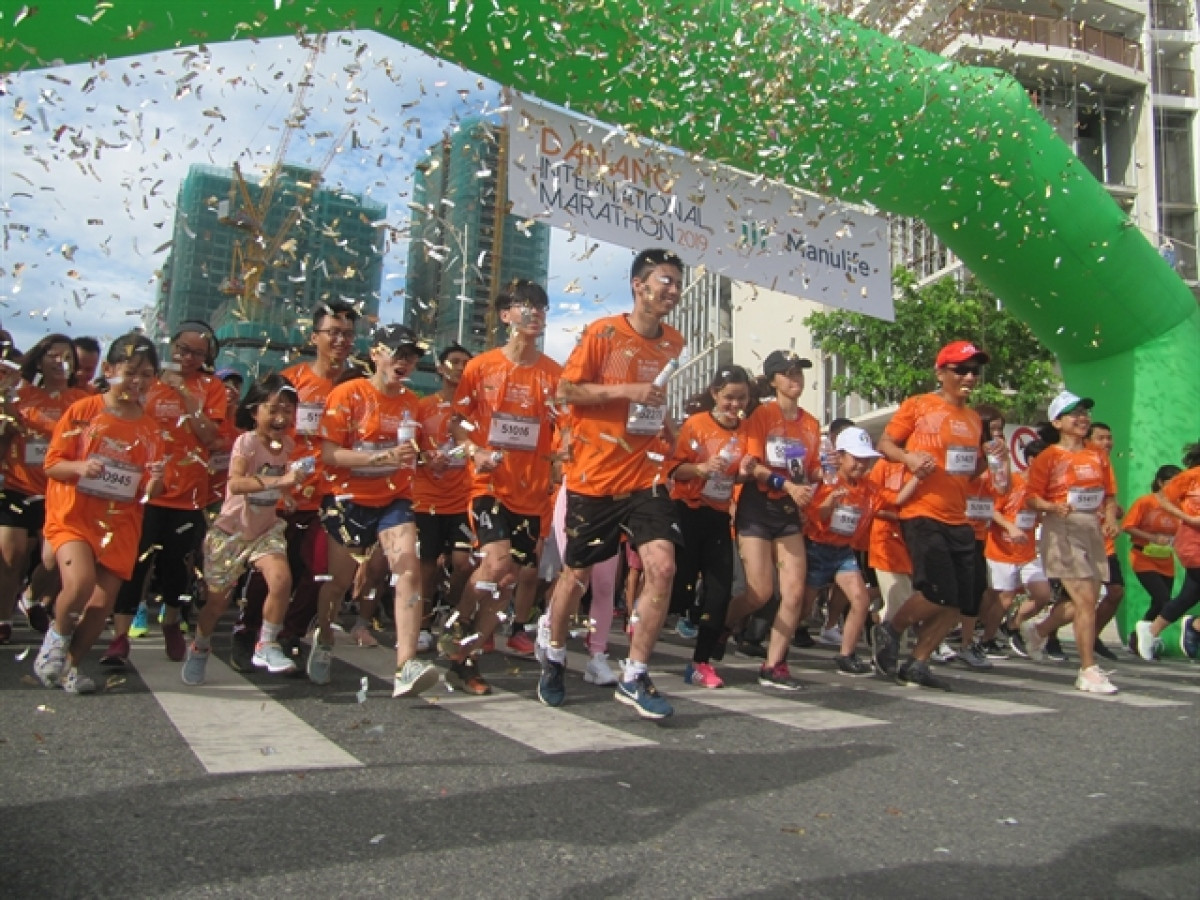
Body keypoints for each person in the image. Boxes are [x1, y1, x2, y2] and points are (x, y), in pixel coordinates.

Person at [537, 248, 686, 719]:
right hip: (594, 477)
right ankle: (555, 654)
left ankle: (635, 674)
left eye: (678, 282)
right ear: (639, 285)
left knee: (663, 567)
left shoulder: (674, 341)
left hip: (646, 476)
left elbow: (653, 397)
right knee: (576, 576)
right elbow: (565, 390)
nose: (674, 290)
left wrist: (666, 425)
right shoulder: (602, 333)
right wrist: (627, 391)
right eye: (666, 280)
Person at [445, 279, 561, 695]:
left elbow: (565, 428)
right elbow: (457, 422)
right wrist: (474, 450)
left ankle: (466, 657)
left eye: (542, 306)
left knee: (508, 579)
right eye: (525, 305)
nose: (535, 313)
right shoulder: (480, 367)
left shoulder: (555, 374)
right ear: (505, 315)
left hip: (532, 494)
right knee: (496, 564)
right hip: (488, 485)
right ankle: (455, 625)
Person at [33, 333, 165, 693]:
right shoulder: (83, 411)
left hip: (121, 524)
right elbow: (52, 464)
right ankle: (55, 641)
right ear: (109, 370)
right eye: (130, 372)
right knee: (80, 583)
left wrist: (156, 481)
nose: (137, 382)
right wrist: (80, 467)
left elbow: (149, 489)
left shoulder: (151, 428)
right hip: (74, 515)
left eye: (146, 375)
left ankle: (71, 666)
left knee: (102, 602)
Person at [233, 300, 360, 666]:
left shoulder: (358, 387)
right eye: (333, 332)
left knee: (318, 572)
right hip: (284, 494)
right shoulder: (291, 381)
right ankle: (249, 630)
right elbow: (257, 427)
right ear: (314, 337)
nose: (341, 340)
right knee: (272, 569)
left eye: (348, 334)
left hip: (333, 496)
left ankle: (290, 634)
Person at [315, 324, 439, 697]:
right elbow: (329, 454)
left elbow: (414, 452)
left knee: (408, 572)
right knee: (338, 583)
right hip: (347, 500)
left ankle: (405, 665)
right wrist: (379, 458)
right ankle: (324, 638)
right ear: (375, 354)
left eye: (412, 356)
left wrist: (429, 459)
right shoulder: (347, 393)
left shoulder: (412, 403)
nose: (405, 362)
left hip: (394, 499)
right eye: (398, 353)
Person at [872, 340, 989, 691]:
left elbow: (968, 471)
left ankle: (917, 663)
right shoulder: (919, 405)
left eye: (975, 371)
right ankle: (890, 628)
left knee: (957, 603)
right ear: (941, 373)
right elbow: (885, 444)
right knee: (937, 592)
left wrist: (989, 458)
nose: (969, 377)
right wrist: (908, 459)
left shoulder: (974, 419)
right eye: (961, 370)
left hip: (959, 517)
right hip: (922, 512)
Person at [108, 321, 226, 664]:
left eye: (198, 353)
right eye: (183, 349)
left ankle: (172, 621)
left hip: (188, 494)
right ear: (171, 346)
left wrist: (185, 395)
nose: (188, 358)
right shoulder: (148, 381)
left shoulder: (211, 387)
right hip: (144, 491)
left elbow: (210, 437)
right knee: (135, 563)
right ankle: (119, 636)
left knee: (177, 565)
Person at [182, 373, 303, 684]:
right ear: (254, 411)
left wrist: (286, 494)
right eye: (273, 409)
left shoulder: (288, 445)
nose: (280, 418)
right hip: (232, 532)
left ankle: (267, 643)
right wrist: (280, 481)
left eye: (287, 410)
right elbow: (235, 483)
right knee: (217, 603)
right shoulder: (246, 442)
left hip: (266, 530)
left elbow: (279, 480)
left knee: (281, 578)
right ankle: (200, 646)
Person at [726, 350, 822, 691]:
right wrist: (787, 485)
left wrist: (820, 474)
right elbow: (752, 465)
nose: (795, 379)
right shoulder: (762, 415)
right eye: (788, 373)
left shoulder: (811, 424)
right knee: (759, 592)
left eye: (799, 372)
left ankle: (774, 664)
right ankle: (722, 625)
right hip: (757, 505)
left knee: (793, 592)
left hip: (788, 511)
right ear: (773, 381)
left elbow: (810, 468)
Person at [1020, 391, 1120, 693]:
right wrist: (1052, 506)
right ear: (1057, 422)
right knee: (1086, 599)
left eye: (1084, 413)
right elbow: (1031, 498)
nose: (1082, 418)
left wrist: (1111, 519)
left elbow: (1109, 494)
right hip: (1061, 528)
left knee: (1088, 600)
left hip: (1092, 528)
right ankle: (1088, 669)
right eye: (1074, 413)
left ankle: (1039, 630)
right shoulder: (1049, 457)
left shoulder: (1097, 454)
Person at [667, 365, 756, 688]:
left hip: (719, 517)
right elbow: (674, 469)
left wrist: (745, 471)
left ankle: (700, 663)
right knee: (680, 590)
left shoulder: (747, 431)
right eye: (729, 397)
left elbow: (740, 475)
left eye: (741, 398)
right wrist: (700, 468)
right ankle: (641, 628)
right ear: (715, 394)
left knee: (720, 591)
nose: (735, 404)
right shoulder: (696, 424)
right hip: (687, 511)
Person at [804, 427, 918, 675]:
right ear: (841, 456)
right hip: (816, 549)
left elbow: (897, 499)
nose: (861, 464)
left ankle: (846, 655)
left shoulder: (869, 487)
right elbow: (815, 516)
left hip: (843, 552)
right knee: (802, 609)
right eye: (856, 458)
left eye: (865, 459)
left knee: (861, 599)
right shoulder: (828, 481)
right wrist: (830, 502)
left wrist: (919, 476)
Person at [0, 334, 86, 644]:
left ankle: (31, 596)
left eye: (68, 357)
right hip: (17, 485)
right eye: (54, 355)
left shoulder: (81, 401)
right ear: (39, 359)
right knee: (12, 556)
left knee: (53, 558)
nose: (61, 362)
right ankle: (3, 619)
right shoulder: (20, 394)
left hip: (59, 491)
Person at [412, 341, 475, 654]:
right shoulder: (422, 406)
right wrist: (425, 457)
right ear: (439, 368)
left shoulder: (477, 408)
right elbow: (409, 448)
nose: (460, 367)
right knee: (426, 567)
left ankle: (449, 610)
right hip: (427, 499)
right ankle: (422, 625)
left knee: (465, 563)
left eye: (466, 363)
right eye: (454, 361)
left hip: (465, 498)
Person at [1134, 442, 1200, 661]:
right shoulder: (1191, 477)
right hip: (1194, 543)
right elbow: (1162, 498)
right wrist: (1188, 517)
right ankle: (1195, 626)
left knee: (1189, 595)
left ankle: (1152, 630)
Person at [1121, 465, 1181, 626]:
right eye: (1172, 482)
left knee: (1159, 604)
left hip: (1166, 559)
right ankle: (1143, 634)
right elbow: (1127, 526)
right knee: (1163, 599)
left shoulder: (1178, 505)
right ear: (1160, 482)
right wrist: (1152, 538)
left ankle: (1138, 636)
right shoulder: (1145, 502)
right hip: (1143, 557)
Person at [1085, 422, 1124, 661]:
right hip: (1082, 541)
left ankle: (1092, 636)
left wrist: (1112, 514)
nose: (1107, 442)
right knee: (1080, 599)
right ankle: (1045, 633)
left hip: (1105, 544)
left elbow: (1109, 499)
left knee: (1116, 592)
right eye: (1100, 438)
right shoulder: (1081, 462)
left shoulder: (1107, 466)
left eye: (1109, 438)